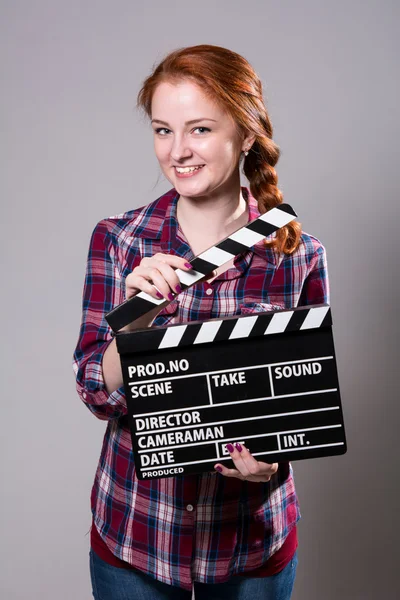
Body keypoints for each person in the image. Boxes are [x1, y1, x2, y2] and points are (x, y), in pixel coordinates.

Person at [73, 44, 329, 600]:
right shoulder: (118, 241)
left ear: (246, 133)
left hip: (251, 541)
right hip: (137, 529)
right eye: (164, 130)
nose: (179, 151)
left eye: (201, 129)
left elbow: (300, 400)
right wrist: (134, 324)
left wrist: (274, 463)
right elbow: (94, 391)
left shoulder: (298, 255)